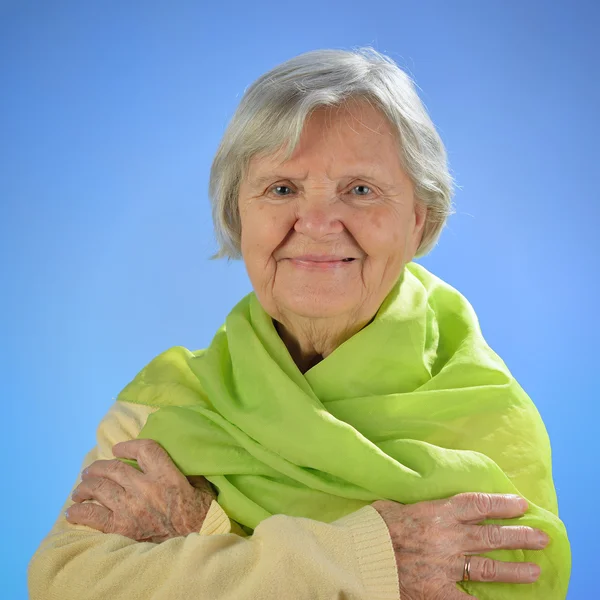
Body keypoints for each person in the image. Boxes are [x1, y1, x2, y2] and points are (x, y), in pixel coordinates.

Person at [28, 47, 571, 600]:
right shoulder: (163, 408)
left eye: (360, 190)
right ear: (238, 216)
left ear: (418, 219)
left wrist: (201, 534)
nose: (315, 223)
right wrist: (367, 562)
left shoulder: (487, 418)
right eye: (281, 189)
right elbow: (66, 582)